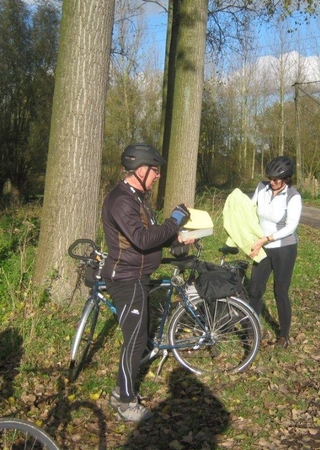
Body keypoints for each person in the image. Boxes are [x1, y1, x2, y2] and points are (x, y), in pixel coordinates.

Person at [101, 143, 192, 421]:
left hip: (138, 276)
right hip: (126, 279)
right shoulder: (121, 201)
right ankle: (124, 401)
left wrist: (174, 238)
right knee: (136, 341)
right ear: (140, 170)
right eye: (155, 170)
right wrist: (174, 221)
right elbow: (141, 240)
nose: (158, 175)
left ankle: (123, 393)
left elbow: (148, 233)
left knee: (139, 338)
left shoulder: (137, 197)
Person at [248, 156, 302, 349]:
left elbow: (291, 226)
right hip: (262, 246)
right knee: (255, 289)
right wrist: (250, 239)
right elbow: (250, 210)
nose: (272, 182)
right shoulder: (262, 188)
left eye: (276, 180)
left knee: (280, 291)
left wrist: (267, 238)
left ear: (286, 179)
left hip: (284, 248)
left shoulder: (293, 196)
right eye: (270, 178)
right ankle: (253, 330)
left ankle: (284, 335)